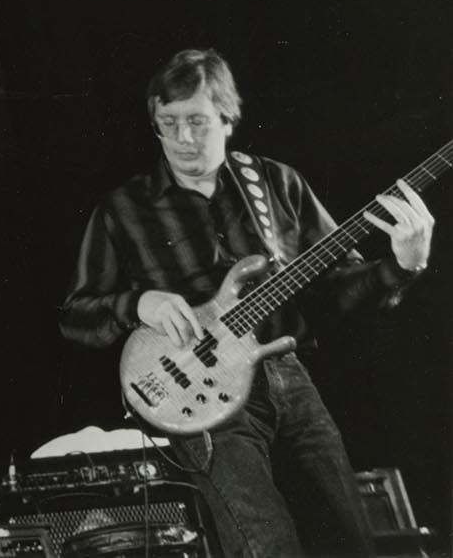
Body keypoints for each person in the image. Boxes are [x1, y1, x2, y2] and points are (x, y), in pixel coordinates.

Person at [59, 48, 435, 558]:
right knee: (268, 546)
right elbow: (76, 316)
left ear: (228, 119)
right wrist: (139, 303)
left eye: (197, 121)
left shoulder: (278, 183)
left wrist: (402, 265)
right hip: (200, 395)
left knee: (348, 538)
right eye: (167, 123)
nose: (182, 139)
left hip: (288, 375)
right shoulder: (123, 209)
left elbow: (339, 291)